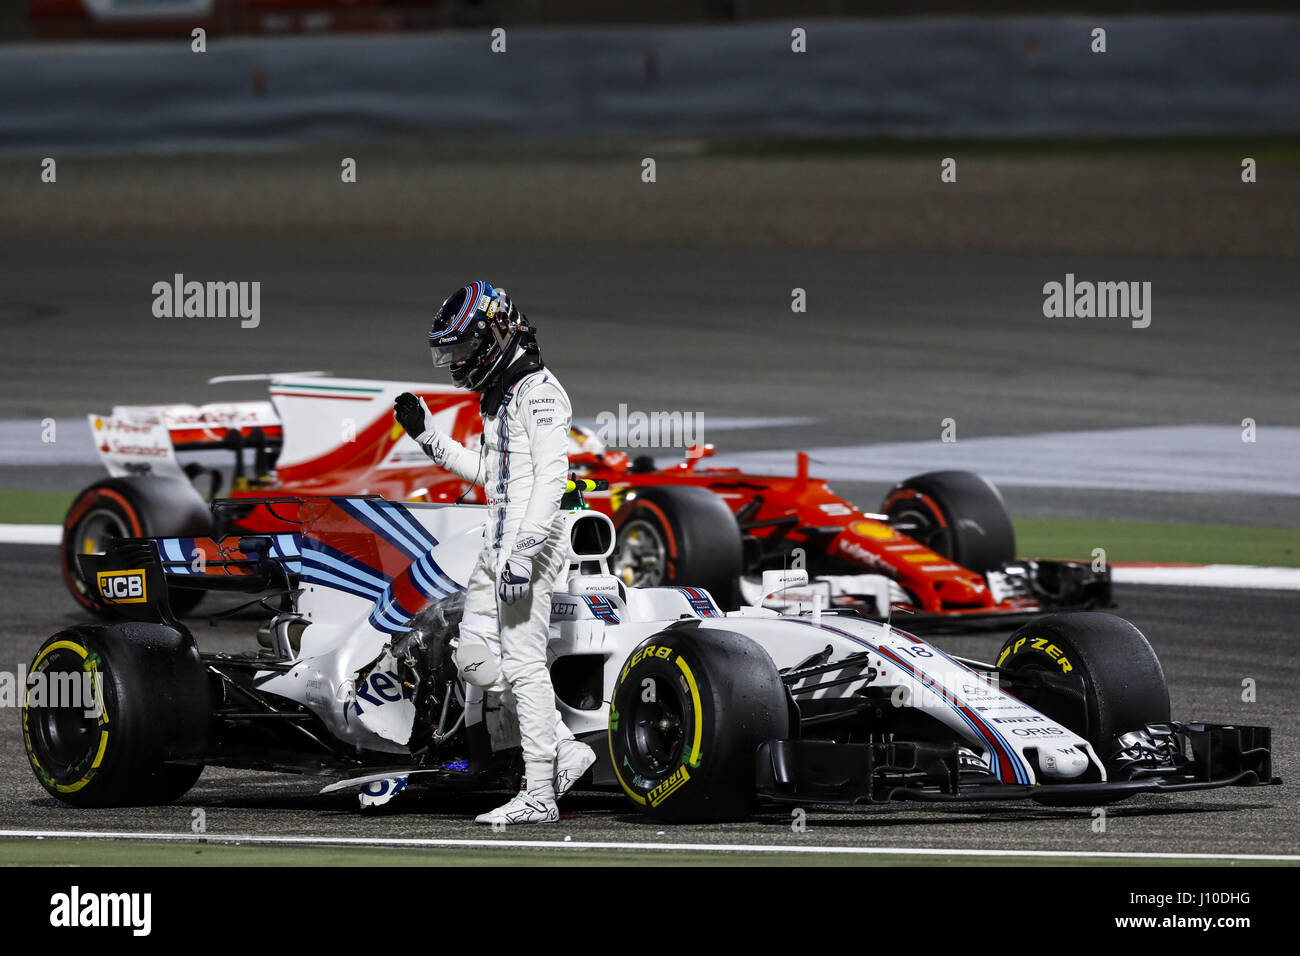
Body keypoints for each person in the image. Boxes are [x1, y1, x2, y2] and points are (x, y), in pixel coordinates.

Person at [393, 281, 595, 825]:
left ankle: (539, 793)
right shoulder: (502, 397)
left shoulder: (541, 393)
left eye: (461, 351)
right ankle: (565, 750)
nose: (457, 365)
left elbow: (553, 482)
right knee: (476, 658)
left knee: (524, 664)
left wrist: (524, 555)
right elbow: (494, 478)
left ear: (495, 336)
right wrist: (429, 438)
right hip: (498, 543)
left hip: (531, 544)